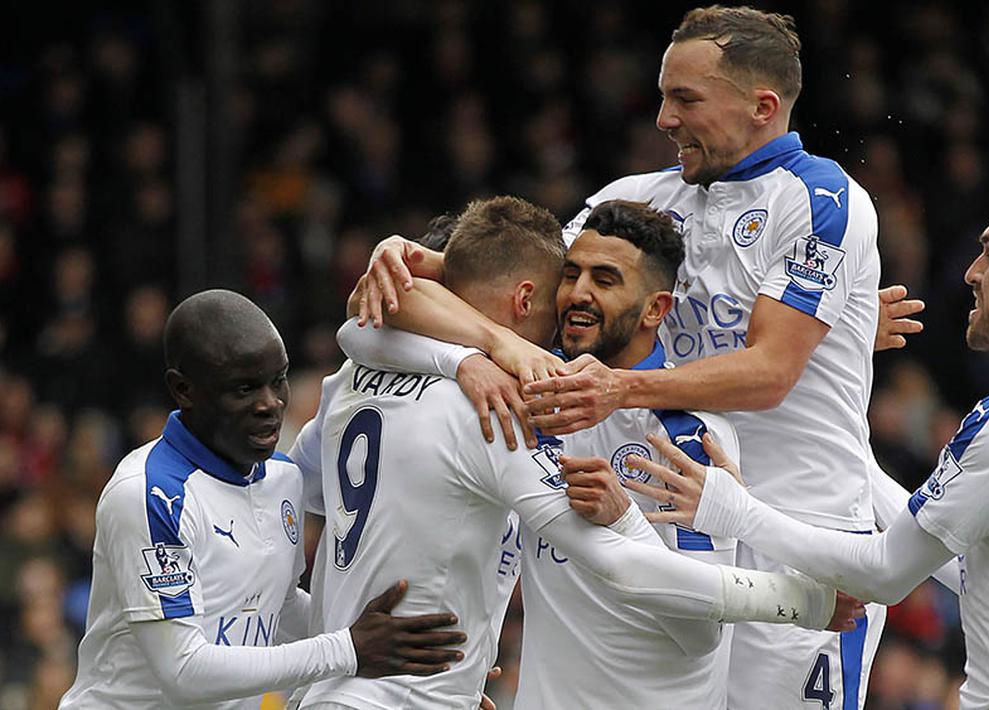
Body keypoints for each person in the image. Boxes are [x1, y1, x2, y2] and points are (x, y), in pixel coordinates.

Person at [355, 7, 941, 708]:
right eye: (664, 96)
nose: (664, 118)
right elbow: (463, 292)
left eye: (685, 99)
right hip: (654, 513)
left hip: (793, 532)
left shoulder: (823, 201)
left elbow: (769, 374)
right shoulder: (631, 203)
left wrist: (620, 389)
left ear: (761, 107)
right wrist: (448, 309)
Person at [289, 197, 857, 709]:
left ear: (655, 308)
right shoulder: (515, 399)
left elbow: (701, 635)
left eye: (604, 279)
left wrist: (625, 518)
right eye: (569, 275)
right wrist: (467, 355)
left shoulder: (686, 437)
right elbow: (371, 312)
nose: (577, 294)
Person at [632, 166, 989, 709]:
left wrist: (734, 511)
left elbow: (885, 571)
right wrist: (830, 378)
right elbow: (981, 568)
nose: (973, 272)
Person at [59, 290, 469, 709]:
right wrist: (349, 649)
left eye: (278, 380)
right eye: (244, 388)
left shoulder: (284, 478)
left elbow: (281, 608)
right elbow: (183, 670)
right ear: (183, 389)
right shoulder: (150, 495)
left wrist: (418, 668)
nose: (270, 404)